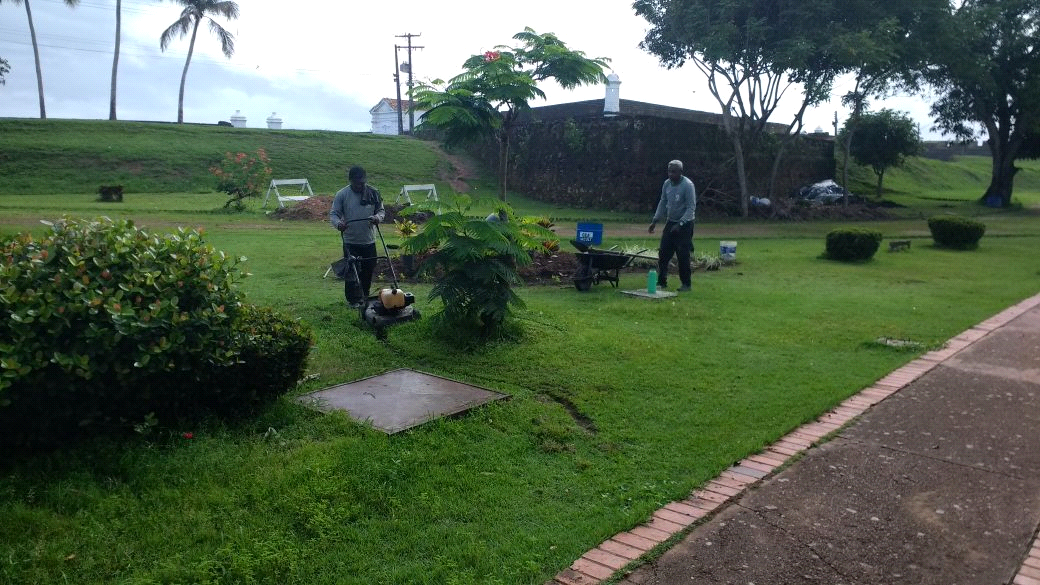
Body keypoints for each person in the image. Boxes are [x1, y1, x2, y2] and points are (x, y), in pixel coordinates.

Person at [330, 166, 385, 307]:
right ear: (351, 181)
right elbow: (334, 214)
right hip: (350, 240)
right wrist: (338, 224)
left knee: (368, 270)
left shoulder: (373, 193)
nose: (360, 185)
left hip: (368, 240)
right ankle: (352, 300)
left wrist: (378, 218)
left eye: (362, 182)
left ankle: (364, 297)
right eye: (356, 183)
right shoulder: (342, 194)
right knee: (351, 272)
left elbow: (381, 210)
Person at [648, 159, 696, 291]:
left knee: (682, 255)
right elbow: (663, 202)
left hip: (685, 224)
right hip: (671, 222)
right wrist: (655, 221)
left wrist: (680, 224)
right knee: (663, 253)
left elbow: (691, 208)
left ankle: (686, 284)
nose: (670, 174)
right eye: (669, 171)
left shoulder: (688, 185)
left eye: (674, 172)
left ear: (680, 172)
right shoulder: (667, 184)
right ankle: (661, 282)